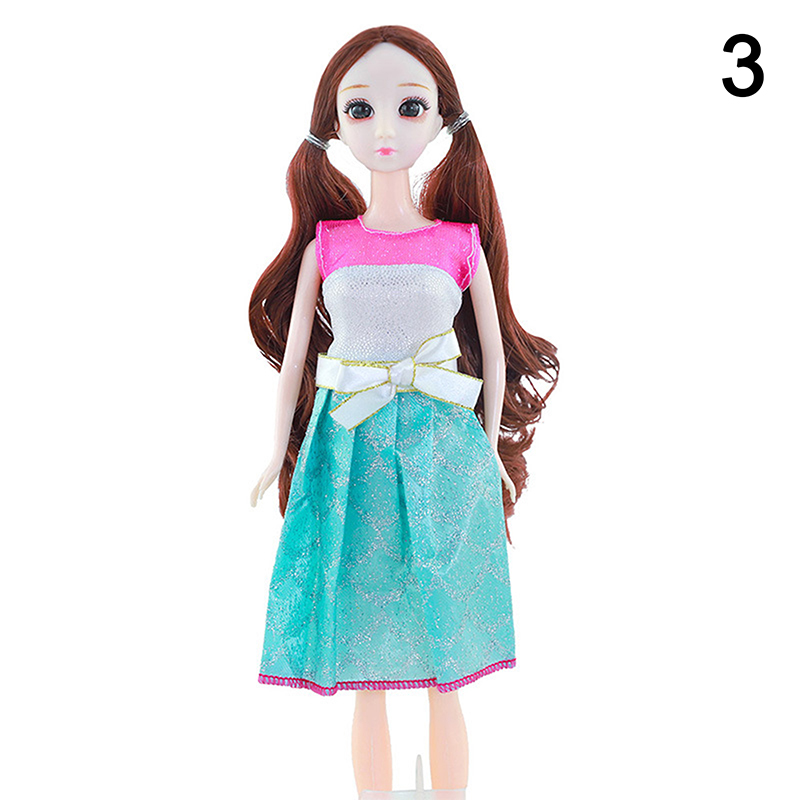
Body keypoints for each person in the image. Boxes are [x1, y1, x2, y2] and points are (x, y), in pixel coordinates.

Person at [248, 25, 558, 798]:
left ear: (441, 119)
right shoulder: (328, 244)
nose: (385, 129)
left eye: (409, 106)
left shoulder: (460, 242)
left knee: (443, 649)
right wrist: (274, 449)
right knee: (366, 653)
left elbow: (490, 358)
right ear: (334, 125)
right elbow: (296, 360)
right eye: (361, 110)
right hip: (350, 445)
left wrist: (489, 449)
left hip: (441, 447)